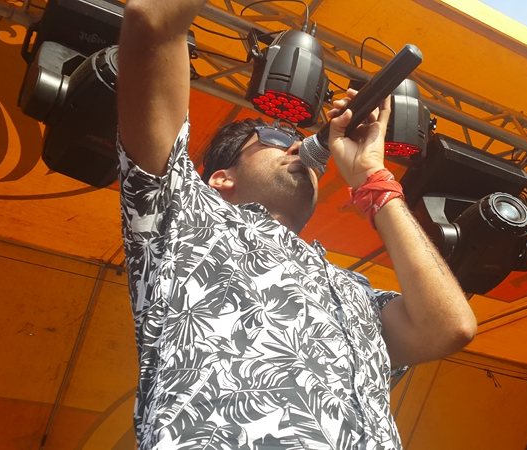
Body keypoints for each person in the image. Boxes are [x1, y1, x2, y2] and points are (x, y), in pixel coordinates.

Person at [116, 1, 477, 448]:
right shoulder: (183, 217)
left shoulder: (354, 289)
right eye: (274, 137)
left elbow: (448, 327)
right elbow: (152, 21)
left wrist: (372, 177)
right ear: (221, 179)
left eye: (300, 141)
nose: (297, 148)